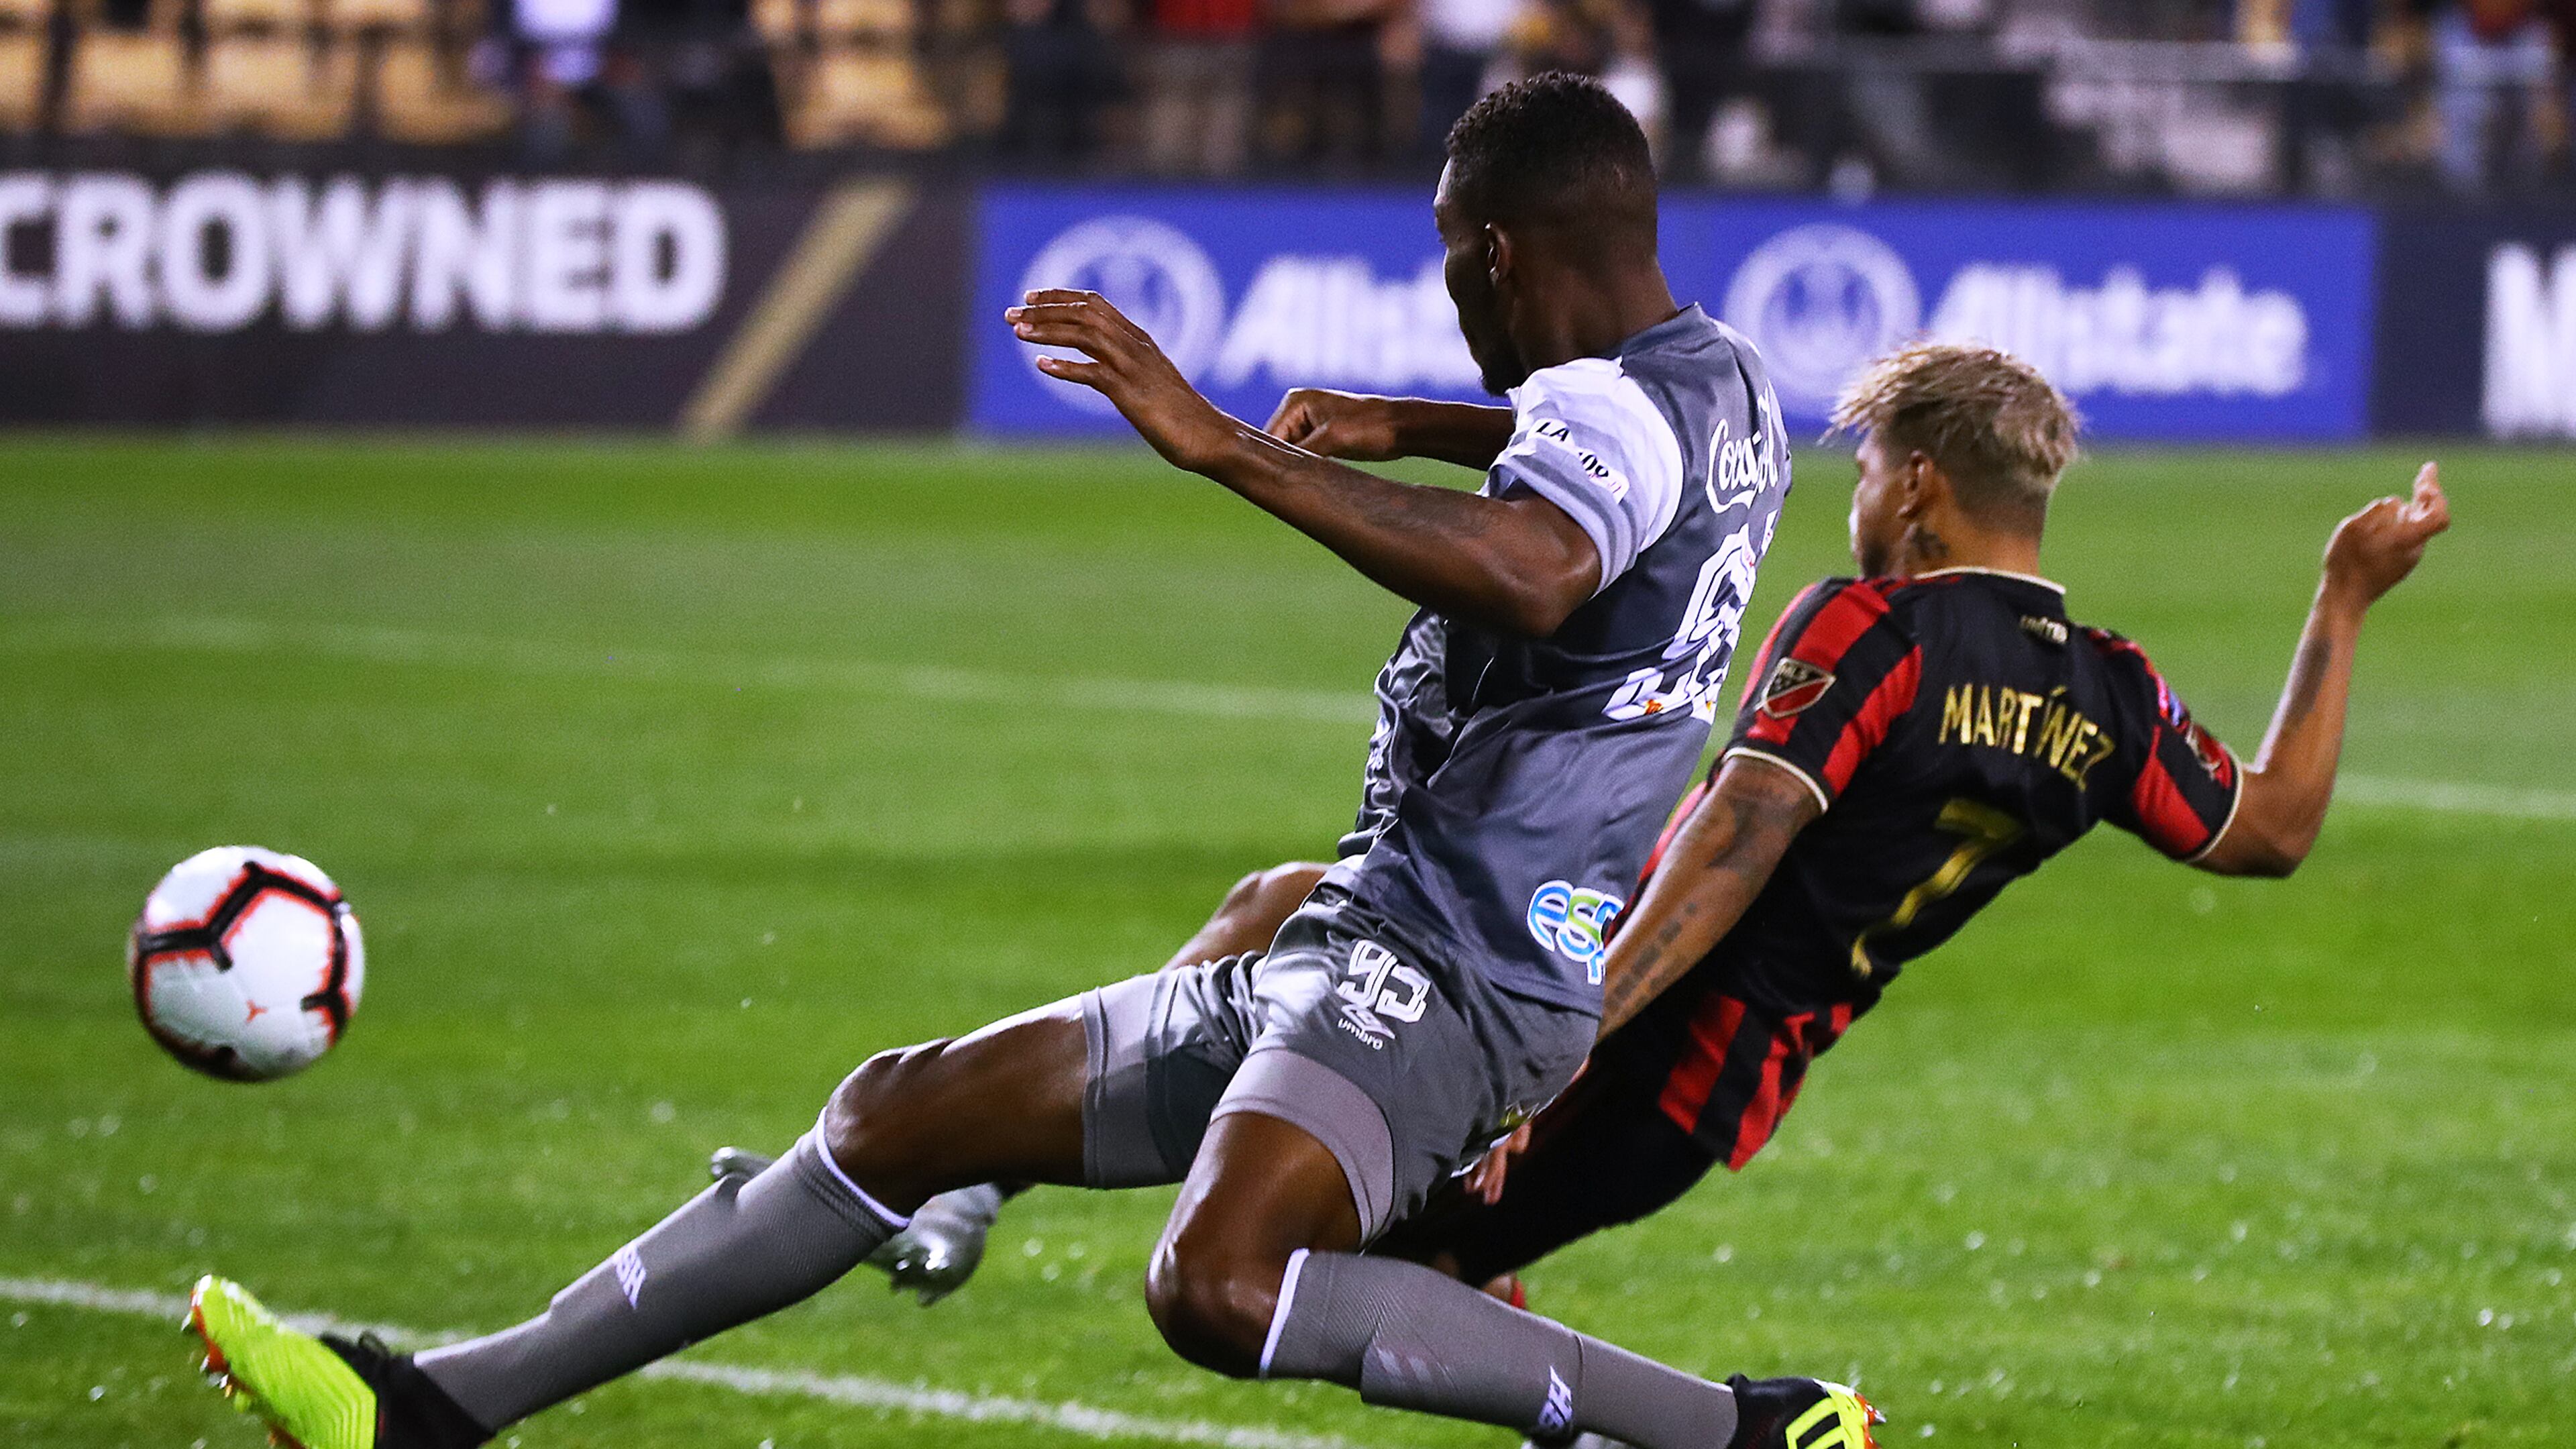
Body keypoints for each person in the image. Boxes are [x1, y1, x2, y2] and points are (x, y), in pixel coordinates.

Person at [181, 74, 1876, 1449]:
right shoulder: (1718, 380)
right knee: (897, 1114)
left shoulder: (1611, 416)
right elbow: (1606, 474)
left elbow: (1541, 568)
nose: (1452, 300)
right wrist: (1412, 421)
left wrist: (1220, 446)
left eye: (1451, 268)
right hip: (1398, 934)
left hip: (1456, 967)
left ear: (1499, 254)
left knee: (1218, 1284)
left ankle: (1742, 1434)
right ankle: (437, 1410)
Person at [812, 343, 2454, 1358]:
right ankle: (959, 1174)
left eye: (1873, 476)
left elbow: (1736, 844)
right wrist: (2344, 594)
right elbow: (2275, 828)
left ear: (1928, 490)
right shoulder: (2107, 691)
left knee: (1278, 1254)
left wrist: (1547, 1055)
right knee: (1279, 922)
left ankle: (957, 1177)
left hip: (1619, 1033)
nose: (1856, 507)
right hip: (1709, 1087)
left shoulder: (1875, 629)